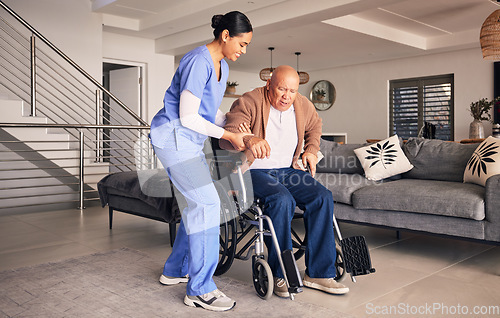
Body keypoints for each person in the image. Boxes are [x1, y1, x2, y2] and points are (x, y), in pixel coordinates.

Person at [149, 11, 253, 312]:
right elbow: (188, 116)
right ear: (225, 36)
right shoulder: (198, 61)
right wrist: (227, 136)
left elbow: (209, 112)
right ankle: (200, 289)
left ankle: (174, 269)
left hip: (189, 141)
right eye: (242, 44)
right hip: (173, 137)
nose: (243, 51)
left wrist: (234, 128)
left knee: (198, 202)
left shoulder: (218, 65)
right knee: (207, 203)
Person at [220, 65, 349, 298]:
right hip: (254, 171)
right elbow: (230, 130)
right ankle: (280, 272)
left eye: (292, 90)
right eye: (281, 89)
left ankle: (319, 273)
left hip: (288, 171)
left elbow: (315, 126)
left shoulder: (301, 104)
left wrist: (311, 149)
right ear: (269, 85)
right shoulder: (249, 101)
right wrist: (249, 138)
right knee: (282, 200)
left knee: (322, 197)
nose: (286, 96)